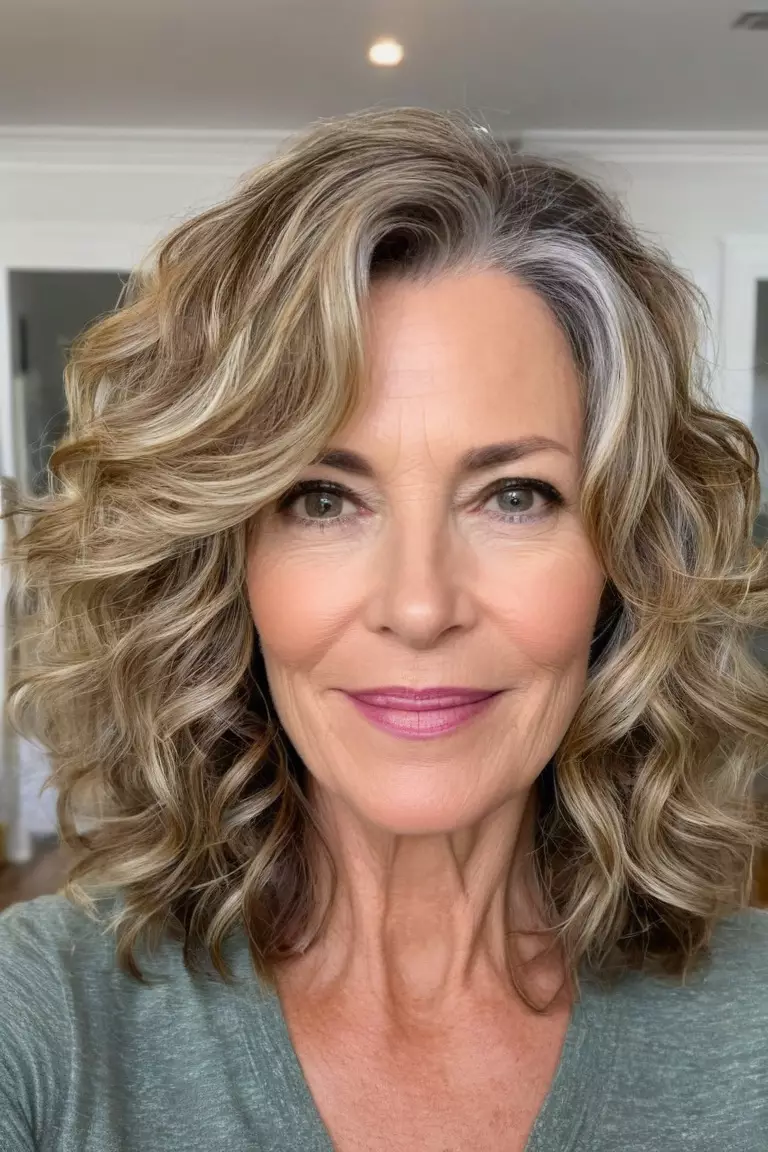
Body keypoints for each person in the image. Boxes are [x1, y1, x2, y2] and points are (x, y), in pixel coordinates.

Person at [1, 106, 767, 1152]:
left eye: (514, 496)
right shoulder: (48, 1020)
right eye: (322, 498)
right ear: (225, 564)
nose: (419, 605)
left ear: (625, 562)